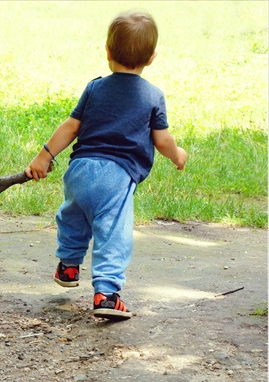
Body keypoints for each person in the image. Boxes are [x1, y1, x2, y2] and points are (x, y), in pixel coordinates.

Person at [25, 10, 187, 321]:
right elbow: (162, 140)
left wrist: (44, 155)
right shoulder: (153, 95)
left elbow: (71, 127)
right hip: (117, 176)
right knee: (113, 233)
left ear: (108, 52)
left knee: (74, 216)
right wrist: (178, 155)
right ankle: (107, 294)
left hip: (80, 169)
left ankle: (69, 265)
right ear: (152, 58)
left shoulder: (95, 87)